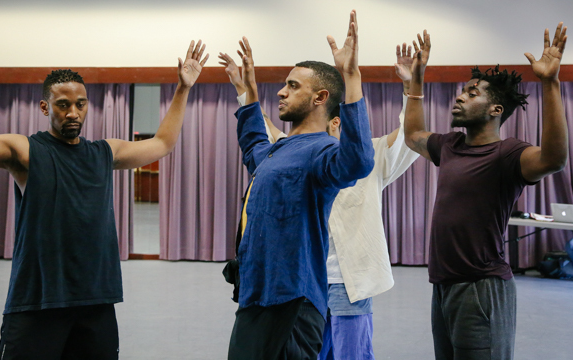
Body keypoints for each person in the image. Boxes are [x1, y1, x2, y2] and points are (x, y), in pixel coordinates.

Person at [0, 25, 208, 359]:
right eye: (63, 105)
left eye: (80, 104)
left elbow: (163, 142)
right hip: (37, 301)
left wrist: (183, 88)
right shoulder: (24, 151)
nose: (73, 112)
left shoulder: (105, 152)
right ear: (45, 108)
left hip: (96, 302)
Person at [220, 42, 420, 360]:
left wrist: (398, 86)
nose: (282, 93)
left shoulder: (350, 153)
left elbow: (392, 144)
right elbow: (257, 139)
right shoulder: (285, 151)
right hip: (270, 287)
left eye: (293, 86)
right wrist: (248, 92)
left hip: (337, 282)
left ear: (326, 105)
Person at [403, 23, 568, 360]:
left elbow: (553, 159)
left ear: (496, 110)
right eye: (463, 90)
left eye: (472, 93)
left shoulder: (507, 154)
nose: (460, 96)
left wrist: (550, 82)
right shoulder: (450, 145)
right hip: (444, 284)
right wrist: (415, 81)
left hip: (482, 286)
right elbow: (414, 134)